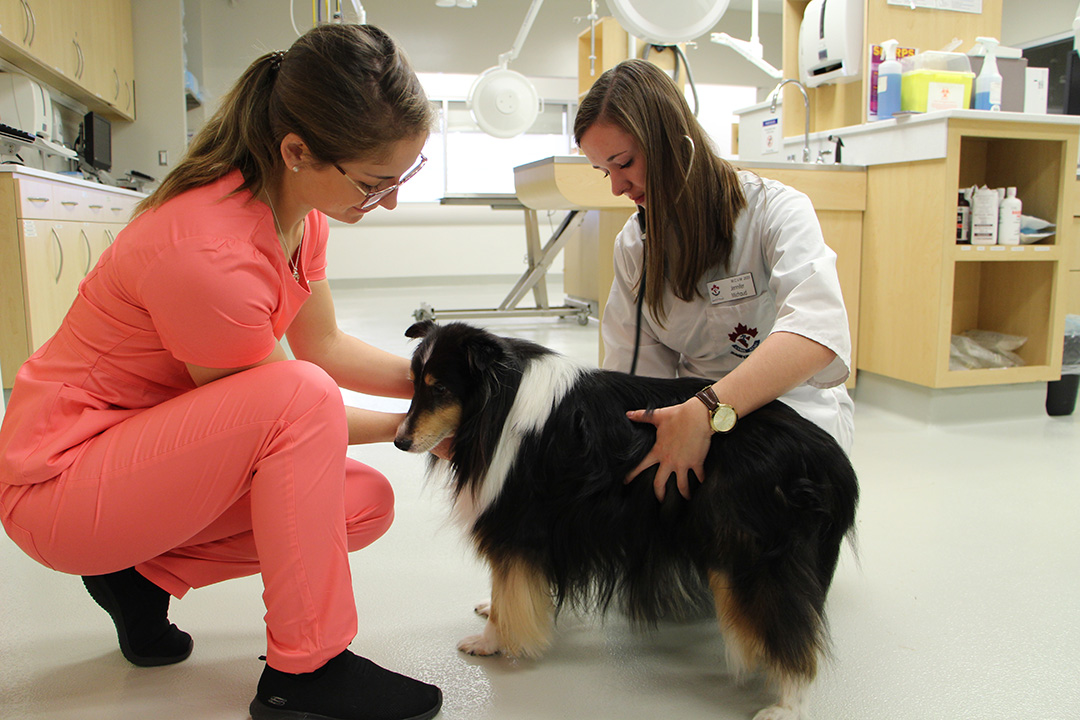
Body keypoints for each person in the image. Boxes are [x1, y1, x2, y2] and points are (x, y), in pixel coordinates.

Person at [0, 24, 442, 720]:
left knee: (361, 503)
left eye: (402, 176)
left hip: (133, 457)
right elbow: (291, 410)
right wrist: (423, 428)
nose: (388, 201)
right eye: (376, 181)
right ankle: (308, 671)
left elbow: (323, 343)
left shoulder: (298, 208)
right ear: (297, 150)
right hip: (59, 483)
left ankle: (137, 577)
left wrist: (444, 385)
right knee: (298, 399)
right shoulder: (207, 249)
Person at [574, 59, 854, 503]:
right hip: (687, 410)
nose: (617, 188)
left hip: (788, 406)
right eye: (604, 172)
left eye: (624, 163)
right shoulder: (636, 246)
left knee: (759, 509)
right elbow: (634, 374)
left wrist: (707, 412)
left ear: (672, 143)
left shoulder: (775, 212)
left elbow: (814, 335)